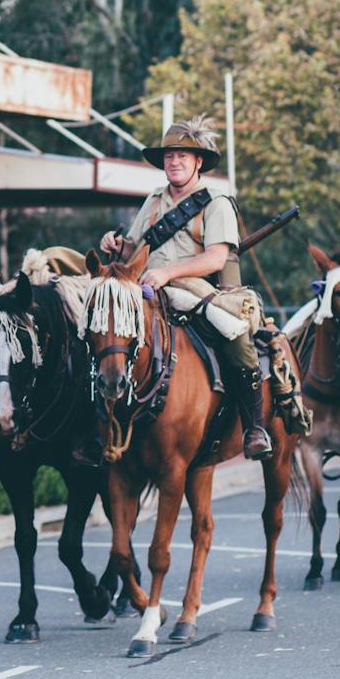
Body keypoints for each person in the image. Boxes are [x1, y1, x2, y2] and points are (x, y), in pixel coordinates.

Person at [100, 115, 268, 461]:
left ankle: (254, 427)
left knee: (237, 336)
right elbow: (135, 250)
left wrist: (167, 273)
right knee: (99, 331)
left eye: (182, 156)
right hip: (145, 288)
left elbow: (217, 258)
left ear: (198, 162)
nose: (174, 162)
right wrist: (117, 247)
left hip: (193, 290)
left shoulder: (216, 201)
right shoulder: (154, 200)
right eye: (169, 156)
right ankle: (94, 427)